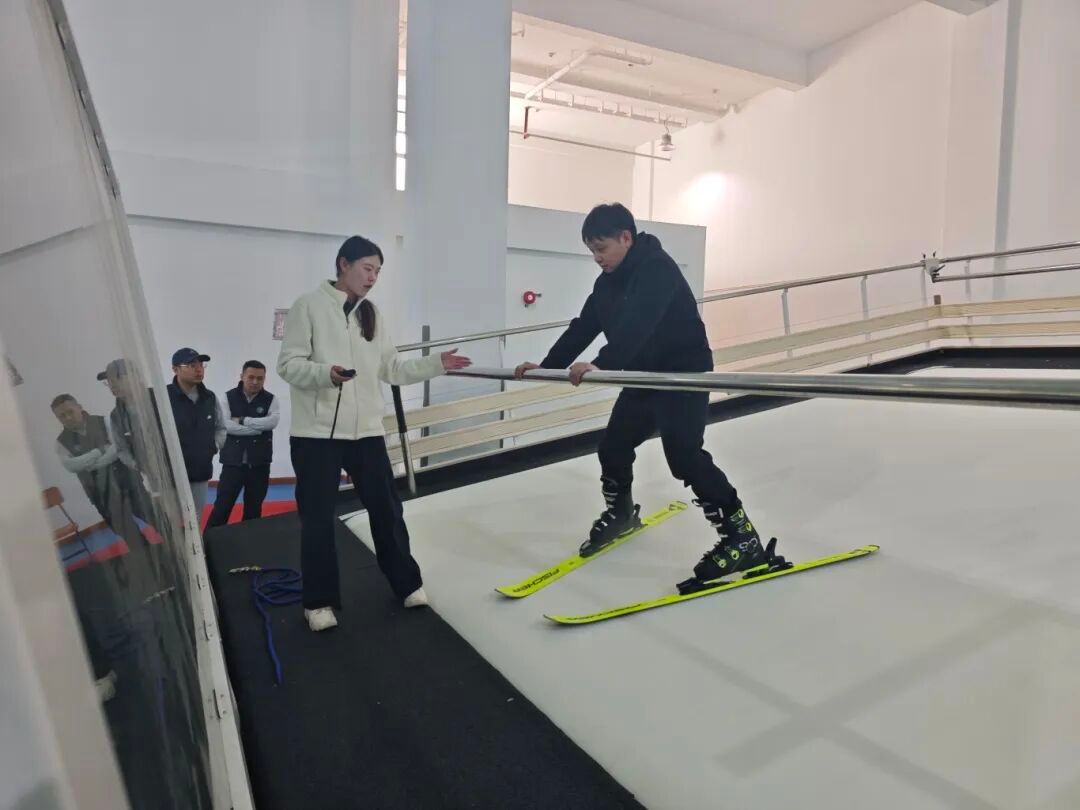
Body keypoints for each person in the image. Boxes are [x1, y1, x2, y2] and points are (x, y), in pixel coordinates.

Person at [514, 203, 765, 583]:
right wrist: (546, 367)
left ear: (626, 238)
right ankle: (621, 515)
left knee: (684, 456)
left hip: (681, 375)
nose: (597, 258)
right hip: (643, 375)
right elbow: (584, 326)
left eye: (601, 248)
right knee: (613, 447)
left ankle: (743, 538)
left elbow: (639, 324)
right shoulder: (606, 283)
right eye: (592, 251)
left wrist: (601, 363)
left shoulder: (657, 268)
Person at [277, 235, 471, 632]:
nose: (373, 278)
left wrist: (436, 363)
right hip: (316, 435)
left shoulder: (372, 314)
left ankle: (407, 583)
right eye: (367, 268)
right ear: (343, 265)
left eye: (378, 272)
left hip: (365, 432)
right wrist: (325, 373)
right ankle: (318, 602)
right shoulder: (307, 306)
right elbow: (288, 365)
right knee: (318, 518)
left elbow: (392, 369)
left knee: (386, 509)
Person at [206, 361, 280, 528]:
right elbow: (226, 425)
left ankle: (250, 542)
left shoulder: (271, 399)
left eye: (260, 378)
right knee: (222, 506)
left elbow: (272, 423)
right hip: (232, 463)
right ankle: (209, 541)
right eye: (251, 377)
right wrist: (257, 429)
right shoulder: (227, 397)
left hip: (260, 464)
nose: (255, 382)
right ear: (242, 376)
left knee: (254, 510)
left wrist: (242, 420)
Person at [166, 348, 226, 523]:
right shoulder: (163, 397)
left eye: (201, 364)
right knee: (173, 523)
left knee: (195, 519)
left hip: (200, 470)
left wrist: (212, 447)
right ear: (175, 369)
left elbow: (221, 428)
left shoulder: (209, 398)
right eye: (192, 365)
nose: (199, 369)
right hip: (171, 473)